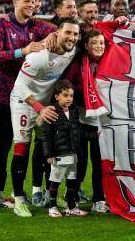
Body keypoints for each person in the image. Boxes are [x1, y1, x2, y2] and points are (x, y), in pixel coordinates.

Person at [0, 0, 54, 213]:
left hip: (15, 95)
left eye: (34, 1)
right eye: (27, 1)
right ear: (15, 2)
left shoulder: (35, 25)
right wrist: (24, 50)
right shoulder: (0, 23)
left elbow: (60, 30)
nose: (32, 5)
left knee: (4, 146)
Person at [7, 19, 80, 217]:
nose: (72, 37)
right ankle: (19, 200)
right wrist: (39, 108)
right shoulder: (39, 56)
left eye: (75, 34)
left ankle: (48, 195)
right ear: (58, 33)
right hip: (24, 102)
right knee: (22, 148)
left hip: (46, 105)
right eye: (68, 33)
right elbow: (19, 85)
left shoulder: (72, 50)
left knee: (46, 148)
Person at [61, 29, 110, 213]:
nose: (99, 46)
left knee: (99, 163)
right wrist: (88, 94)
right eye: (94, 43)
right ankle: (71, 198)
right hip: (80, 121)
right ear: (86, 46)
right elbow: (67, 87)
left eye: (102, 43)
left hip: (102, 122)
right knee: (79, 162)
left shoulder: (109, 63)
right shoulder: (78, 64)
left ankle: (99, 199)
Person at [40, 80, 87, 217]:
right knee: (55, 181)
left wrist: (92, 134)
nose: (69, 99)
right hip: (59, 155)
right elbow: (46, 135)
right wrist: (49, 154)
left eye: (71, 96)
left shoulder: (74, 111)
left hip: (73, 155)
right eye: (65, 95)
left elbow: (77, 130)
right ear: (56, 96)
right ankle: (52, 207)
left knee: (72, 181)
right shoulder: (51, 112)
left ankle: (71, 206)